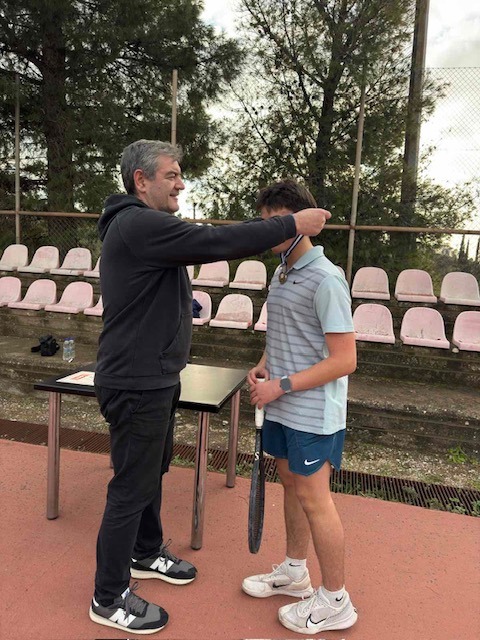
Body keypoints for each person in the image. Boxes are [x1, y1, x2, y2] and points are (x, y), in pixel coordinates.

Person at [89, 140, 331, 635]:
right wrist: (291, 223)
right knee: (130, 487)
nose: (181, 183)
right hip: (135, 382)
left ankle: (145, 551)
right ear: (141, 181)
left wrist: (182, 308)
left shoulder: (143, 227)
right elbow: (216, 242)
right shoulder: (137, 223)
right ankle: (107, 596)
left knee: (151, 473)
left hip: (154, 377)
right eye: (172, 175)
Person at [242, 179, 358, 634]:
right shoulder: (283, 271)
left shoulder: (327, 279)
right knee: (290, 485)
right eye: (266, 222)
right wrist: (264, 365)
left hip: (312, 412)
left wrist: (282, 386)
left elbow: (345, 359)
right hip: (283, 403)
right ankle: (295, 572)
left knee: (315, 499)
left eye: (278, 222)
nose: (270, 231)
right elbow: (288, 333)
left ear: (302, 223)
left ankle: (336, 600)